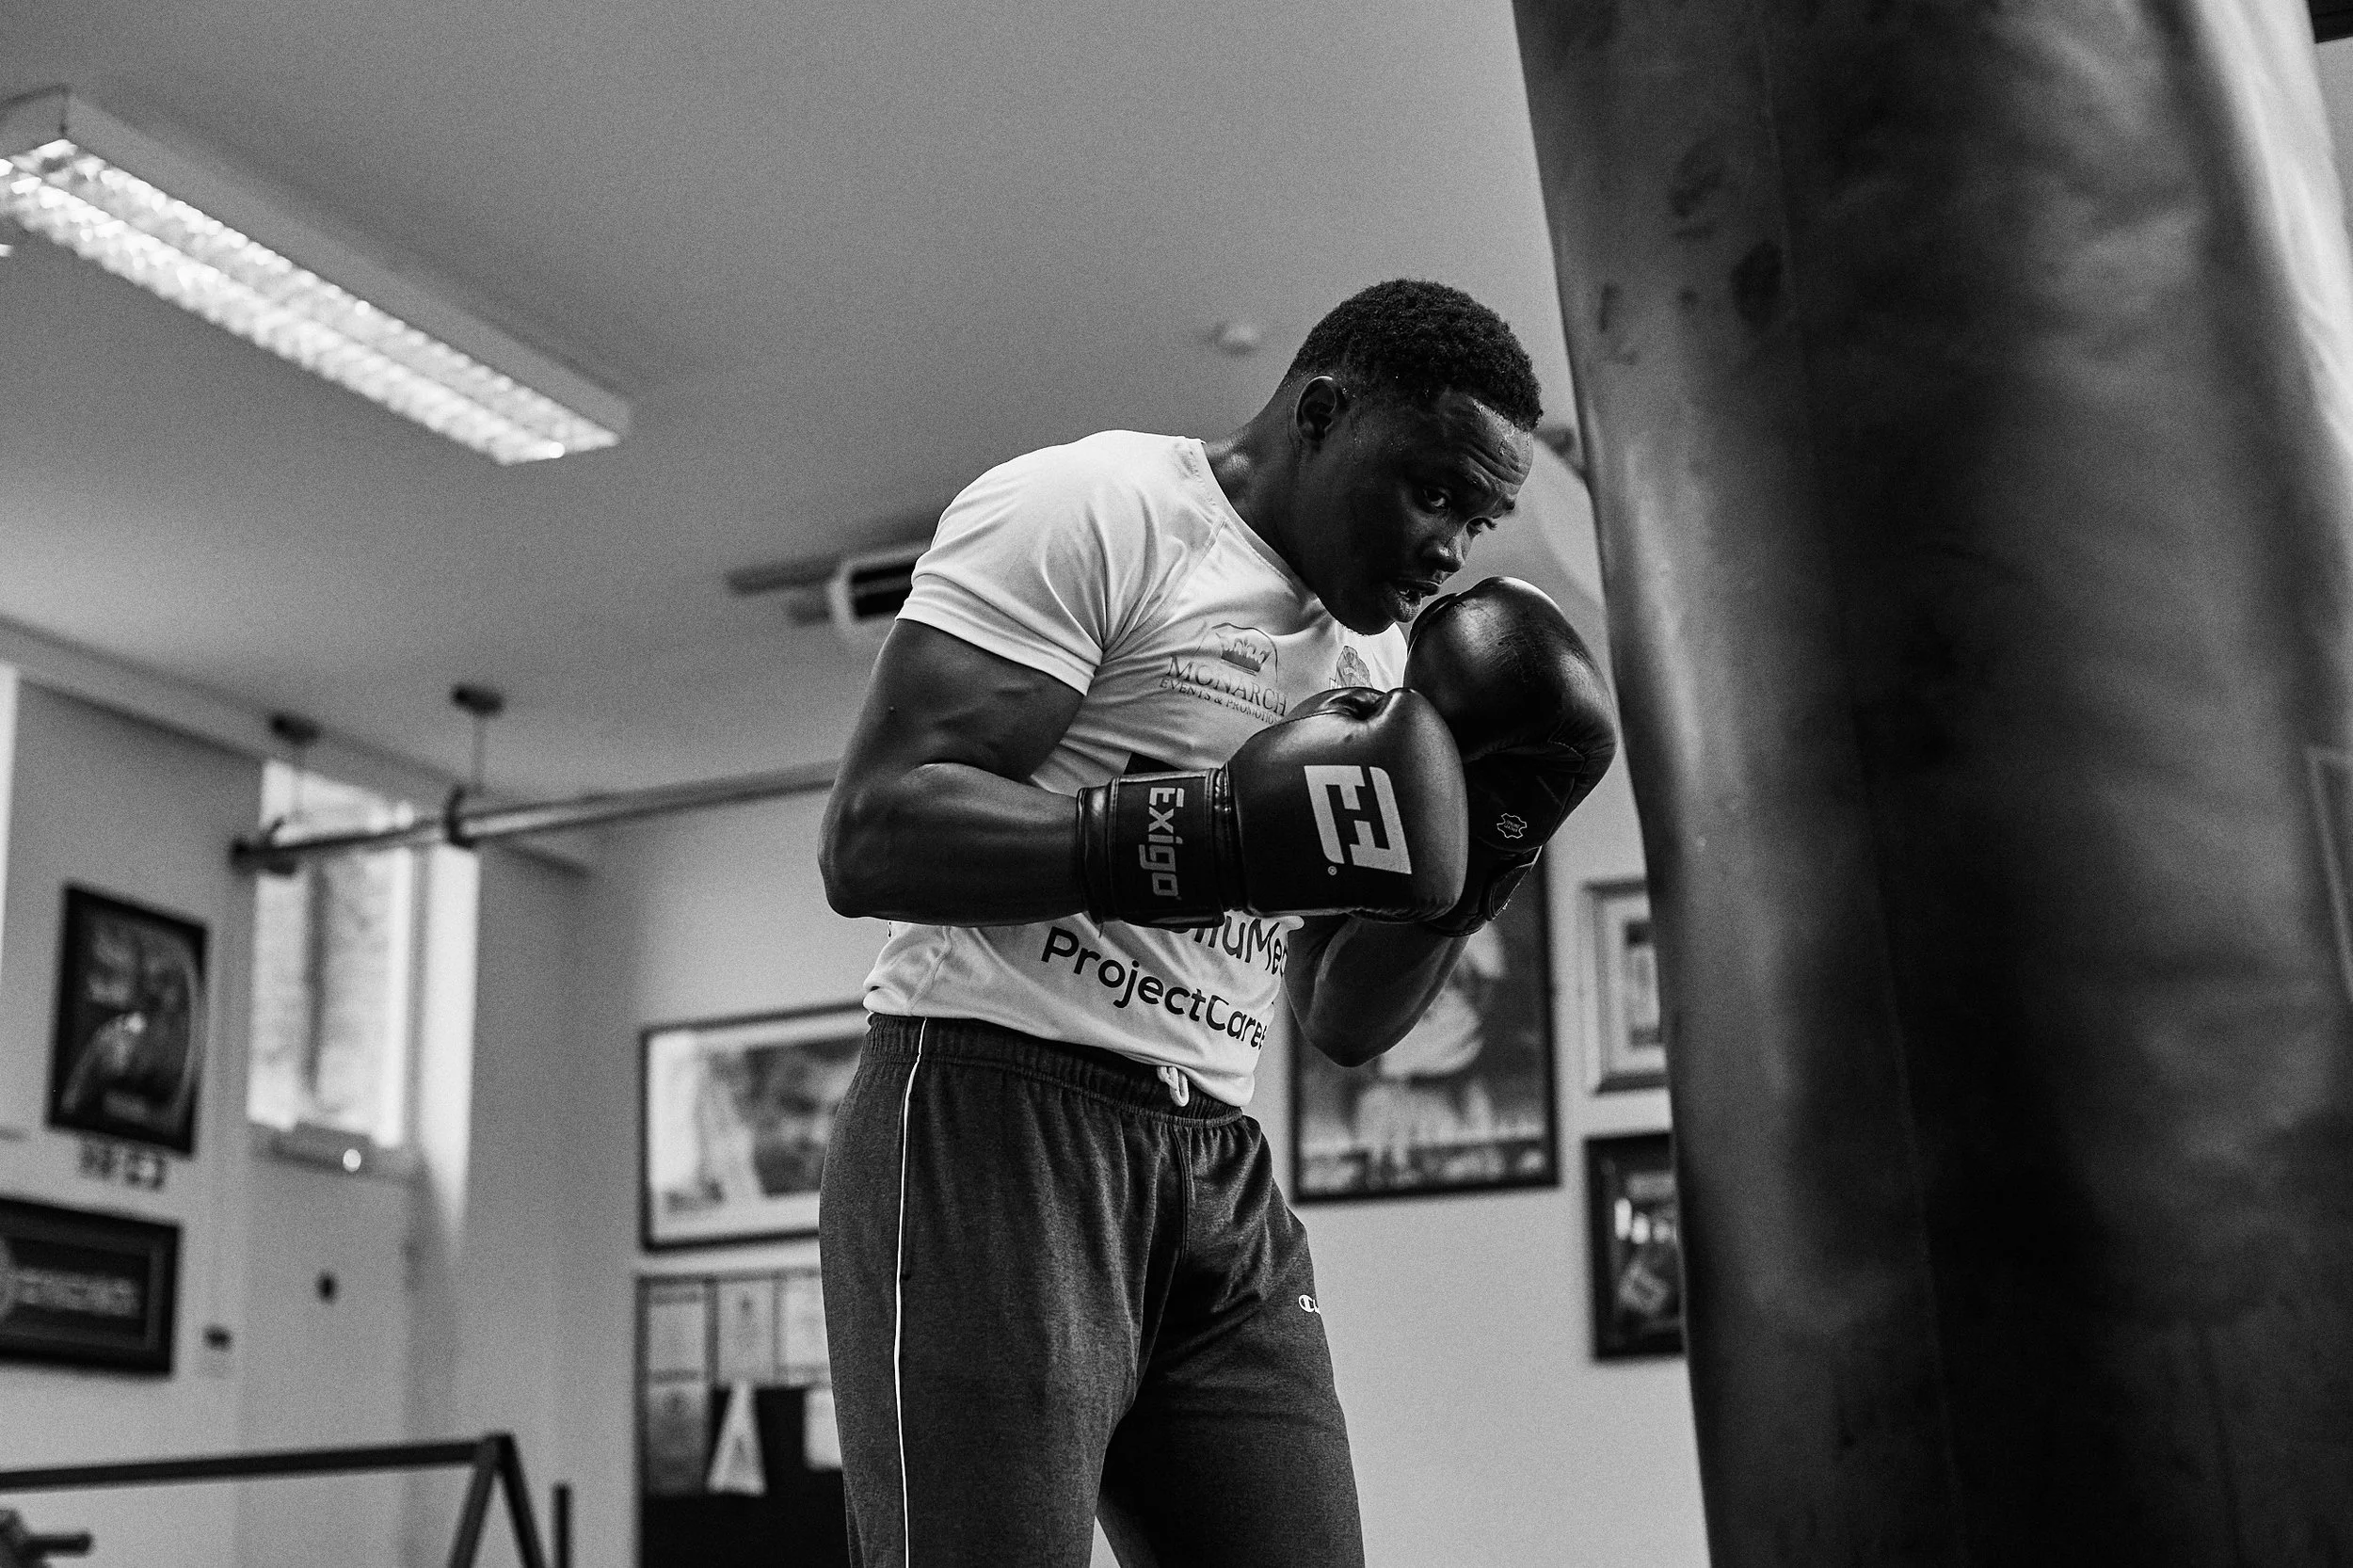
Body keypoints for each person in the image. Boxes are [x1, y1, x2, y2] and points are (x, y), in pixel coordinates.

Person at [818, 278, 1616, 1567]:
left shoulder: (1377, 673)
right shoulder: (1105, 511)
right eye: (1432, 491)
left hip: (1217, 1156)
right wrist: (1210, 837)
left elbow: (1347, 1018)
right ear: (1320, 411)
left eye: (1478, 518)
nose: (1451, 550)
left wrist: (1492, 857)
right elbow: (874, 832)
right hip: (992, 1107)